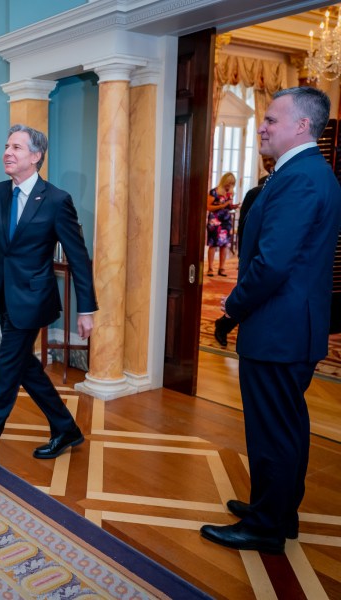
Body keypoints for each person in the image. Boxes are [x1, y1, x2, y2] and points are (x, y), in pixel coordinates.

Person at [200, 87, 341, 554]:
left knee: (272, 432)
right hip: (291, 327)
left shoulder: (300, 178)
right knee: (287, 425)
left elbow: (272, 263)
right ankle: (278, 510)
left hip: (279, 328)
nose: (261, 127)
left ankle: (265, 527)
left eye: (271, 120)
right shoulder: (306, 172)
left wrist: (233, 305)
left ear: (301, 125)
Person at [0, 124, 97, 483]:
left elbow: (79, 258)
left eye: (16, 147)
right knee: (25, 365)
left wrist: (86, 309)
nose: (7, 153)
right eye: (6, 146)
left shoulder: (56, 200)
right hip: (2, 294)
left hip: (32, 300)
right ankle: (65, 427)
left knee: (7, 373)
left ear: (36, 156)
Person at [213, 156, 276, 347]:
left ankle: (225, 324)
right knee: (249, 295)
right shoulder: (255, 193)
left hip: (272, 254)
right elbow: (244, 229)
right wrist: (243, 257)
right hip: (256, 256)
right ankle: (224, 324)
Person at [205, 172, 237, 277]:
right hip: (215, 221)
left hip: (226, 222)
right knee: (213, 244)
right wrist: (223, 205)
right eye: (228, 183)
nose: (229, 186)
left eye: (232, 184)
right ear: (224, 182)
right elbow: (208, 207)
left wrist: (233, 206)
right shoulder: (214, 192)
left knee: (225, 245)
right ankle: (210, 268)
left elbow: (227, 207)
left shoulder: (230, 193)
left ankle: (221, 268)